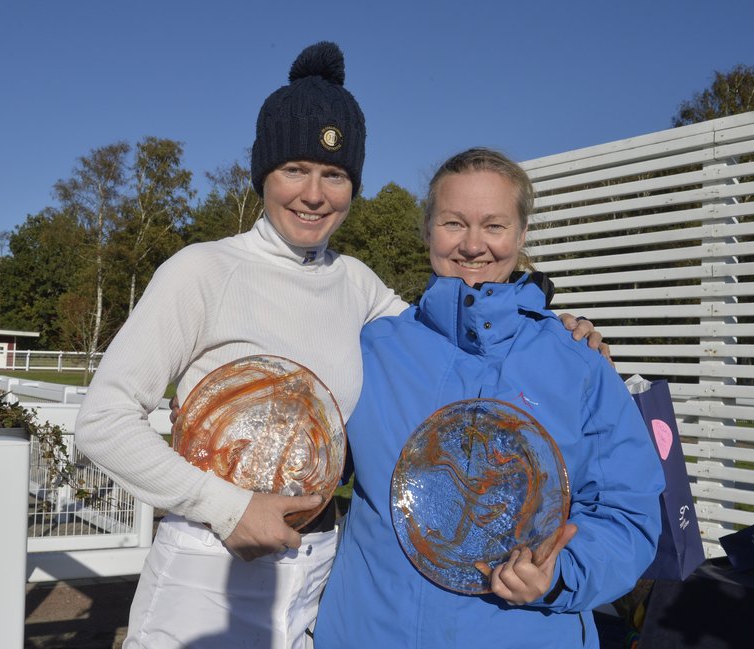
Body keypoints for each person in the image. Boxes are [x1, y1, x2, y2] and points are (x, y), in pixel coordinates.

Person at [75, 44, 600, 649]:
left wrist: (556, 327)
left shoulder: (358, 285)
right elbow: (102, 421)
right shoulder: (203, 271)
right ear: (263, 174)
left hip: (316, 569)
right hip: (211, 566)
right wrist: (225, 508)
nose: (315, 194)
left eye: (335, 174)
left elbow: (465, 336)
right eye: (295, 169)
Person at [314, 148, 664, 649]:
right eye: (454, 222)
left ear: (521, 235)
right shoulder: (373, 349)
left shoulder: (577, 364)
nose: (473, 245)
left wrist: (560, 573)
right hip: (371, 631)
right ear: (428, 229)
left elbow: (628, 513)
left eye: (494, 226)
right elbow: (308, 457)